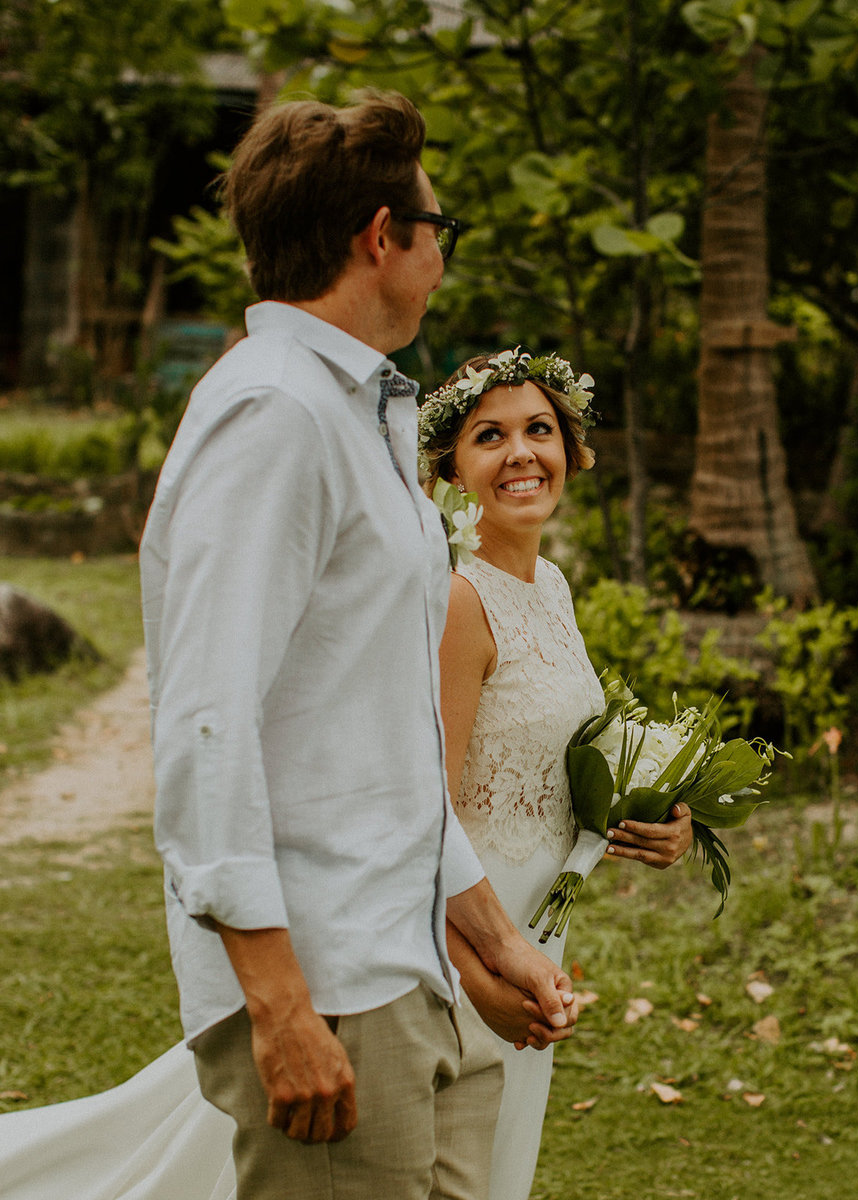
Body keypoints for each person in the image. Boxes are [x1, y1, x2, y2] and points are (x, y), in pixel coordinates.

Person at [139, 91, 577, 1200]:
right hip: (327, 979)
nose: (443, 255)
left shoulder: (355, 413)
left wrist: (487, 931)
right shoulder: (275, 415)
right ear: (380, 236)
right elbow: (206, 717)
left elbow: (379, 737)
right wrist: (278, 1004)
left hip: (409, 964)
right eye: (441, 230)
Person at [420, 347, 694, 1200]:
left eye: (539, 429)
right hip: (461, 933)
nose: (521, 454)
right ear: (450, 469)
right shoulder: (459, 601)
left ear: (572, 450)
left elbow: (554, 766)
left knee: (501, 1160)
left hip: (542, 927)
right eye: (488, 436)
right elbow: (422, 812)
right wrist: (478, 970)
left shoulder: (555, 586)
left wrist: (661, 819)